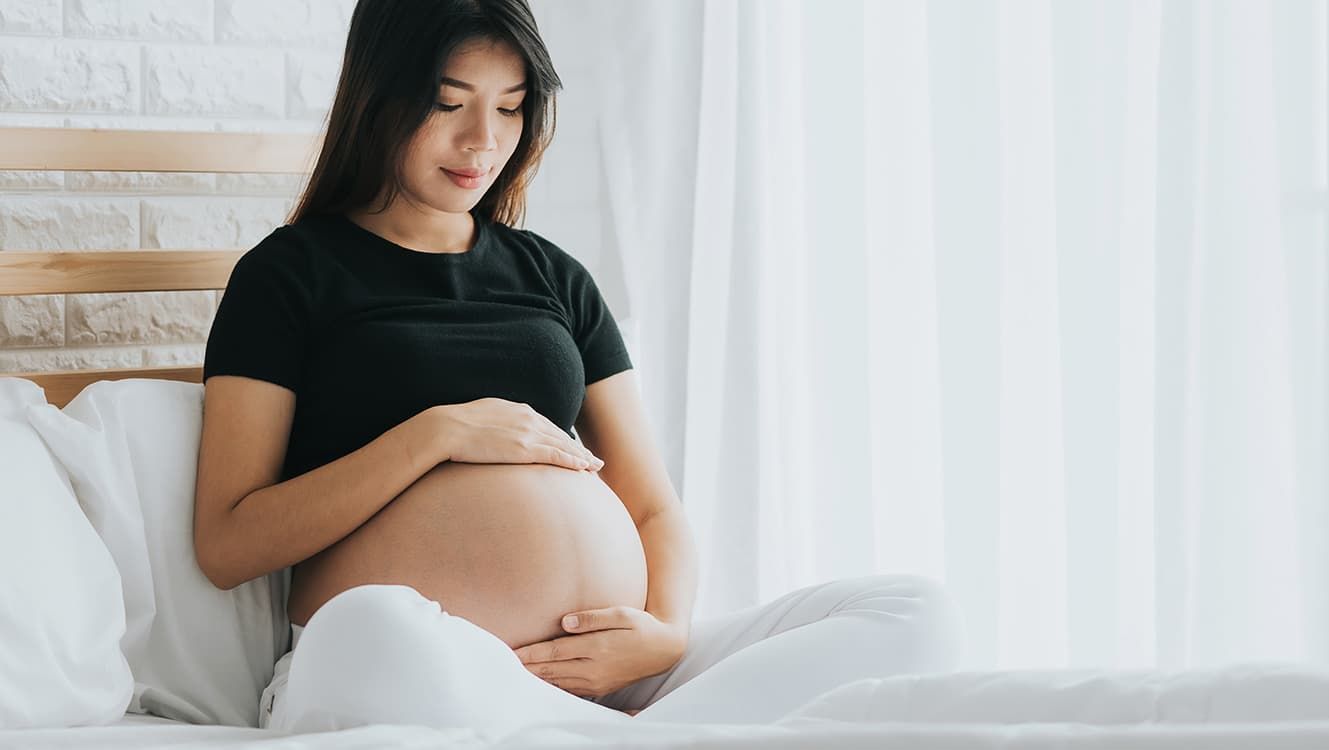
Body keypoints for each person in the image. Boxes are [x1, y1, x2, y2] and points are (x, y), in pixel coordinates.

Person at [192, 0, 966, 736]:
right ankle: (626, 736)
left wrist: (664, 634)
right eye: (448, 102)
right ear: (378, 96)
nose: (481, 142)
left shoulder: (554, 277)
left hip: (613, 671)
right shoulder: (288, 277)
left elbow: (654, 509)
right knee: (367, 634)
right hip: (427, 668)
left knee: (910, 611)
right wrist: (433, 435)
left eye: (510, 106)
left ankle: (593, 731)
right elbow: (227, 541)